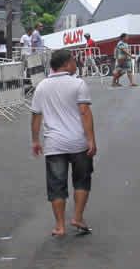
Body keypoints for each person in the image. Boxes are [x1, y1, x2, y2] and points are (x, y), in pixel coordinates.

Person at [32, 49, 98, 238]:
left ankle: (59, 226)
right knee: (82, 180)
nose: (75, 64)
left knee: (56, 185)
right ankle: (77, 217)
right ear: (66, 63)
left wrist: (35, 140)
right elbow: (85, 112)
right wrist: (91, 139)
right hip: (78, 142)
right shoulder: (78, 84)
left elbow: (36, 115)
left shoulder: (42, 86)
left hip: (54, 144)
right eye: (74, 61)